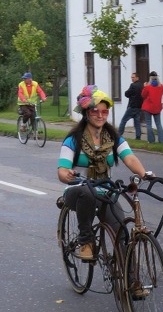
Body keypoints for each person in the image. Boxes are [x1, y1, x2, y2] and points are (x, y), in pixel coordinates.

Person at [57, 85, 149, 264]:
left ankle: (130, 283)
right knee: (86, 191)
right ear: (86, 113)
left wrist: (145, 174)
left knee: (121, 232)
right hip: (77, 191)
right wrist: (66, 174)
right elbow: (62, 170)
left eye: (104, 112)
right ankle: (86, 241)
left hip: (104, 192)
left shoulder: (113, 137)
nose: (100, 116)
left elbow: (129, 158)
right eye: (95, 111)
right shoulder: (73, 140)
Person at [117, 73, 143, 140]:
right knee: (137, 122)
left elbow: (127, 93)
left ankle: (119, 134)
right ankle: (138, 136)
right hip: (139, 106)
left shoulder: (133, 85)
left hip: (132, 106)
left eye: (133, 77)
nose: (132, 78)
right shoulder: (142, 85)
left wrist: (129, 94)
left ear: (137, 78)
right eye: (131, 77)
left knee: (123, 120)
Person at [141, 71, 163, 144]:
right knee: (158, 124)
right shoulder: (161, 87)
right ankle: (162, 141)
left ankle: (151, 140)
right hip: (157, 107)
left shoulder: (148, 87)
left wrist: (144, 87)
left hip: (148, 107)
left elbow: (143, 95)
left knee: (149, 124)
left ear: (150, 78)